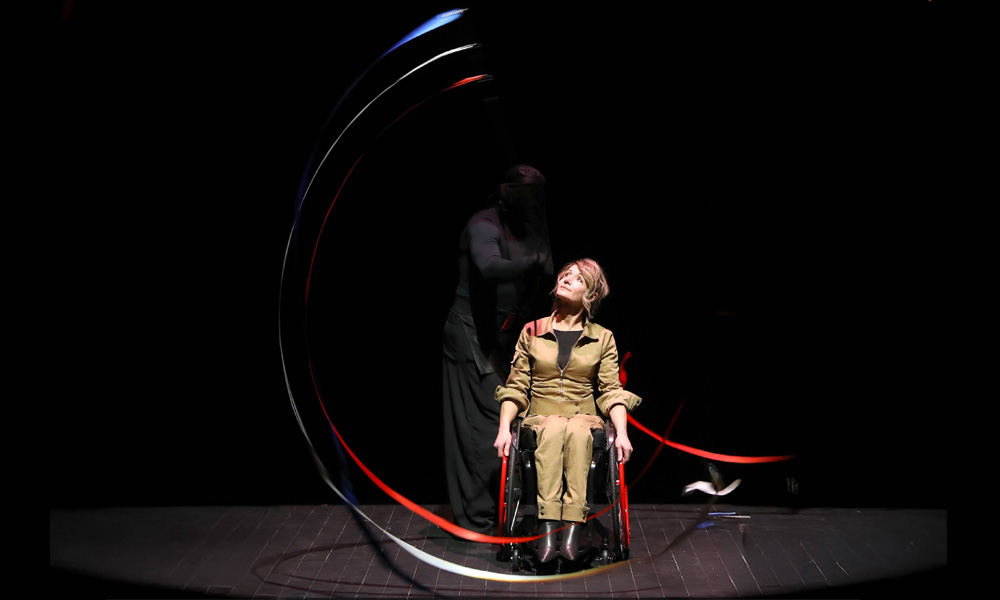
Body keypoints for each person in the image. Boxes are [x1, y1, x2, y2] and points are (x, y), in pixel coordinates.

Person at [493, 258, 641, 562]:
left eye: (577, 278)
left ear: (590, 294)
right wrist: (504, 429)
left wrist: (623, 434)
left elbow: (611, 391)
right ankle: (549, 526)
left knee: (574, 429)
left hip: (583, 416)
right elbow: (516, 387)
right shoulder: (532, 330)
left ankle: (572, 526)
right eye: (565, 274)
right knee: (555, 427)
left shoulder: (602, 337)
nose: (566, 279)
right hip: (541, 416)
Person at [442, 165, 554, 534]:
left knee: (515, 414)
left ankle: (505, 507)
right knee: (485, 421)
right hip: (472, 335)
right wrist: (531, 263)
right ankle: (478, 518)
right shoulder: (483, 225)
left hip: (504, 338)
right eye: (526, 198)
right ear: (506, 196)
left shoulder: (526, 228)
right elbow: (488, 266)